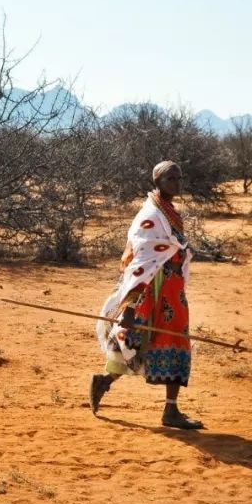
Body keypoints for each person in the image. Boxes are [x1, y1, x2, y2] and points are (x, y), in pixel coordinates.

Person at [89, 160, 203, 429]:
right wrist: (130, 306)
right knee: (134, 341)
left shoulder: (169, 212)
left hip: (172, 291)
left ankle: (171, 411)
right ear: (158, 182)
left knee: (177, 342)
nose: (177, 183)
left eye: (179, 178)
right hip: (150, 290)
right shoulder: (151, 216)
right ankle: (104, 380)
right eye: (170, 179)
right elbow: (141, 262)